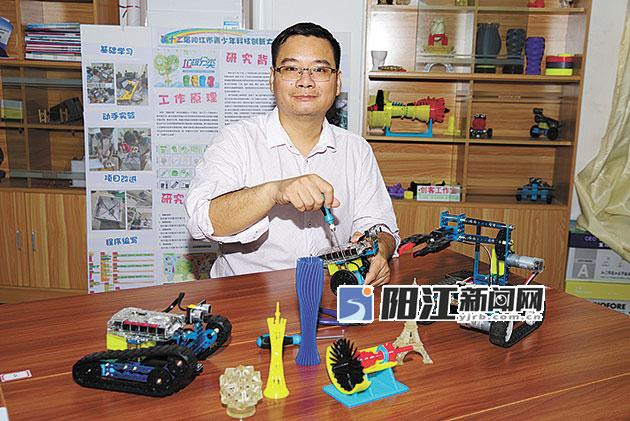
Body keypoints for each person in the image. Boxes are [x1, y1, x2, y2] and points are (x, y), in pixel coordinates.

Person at [185, 22, 399, 285]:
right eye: (291, 68)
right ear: (272, 78)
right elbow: (202, 221)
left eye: (320, 69)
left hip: (331, 293)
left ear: (337, 82)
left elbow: (381, 226)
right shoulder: (236, 140)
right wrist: (272, 192)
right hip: (247, 296)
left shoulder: (356, 149)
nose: (305, 81)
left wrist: (379, 249)